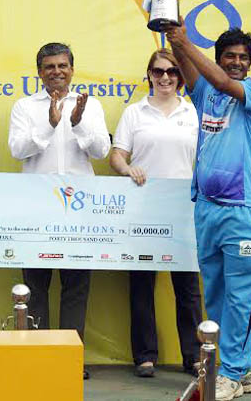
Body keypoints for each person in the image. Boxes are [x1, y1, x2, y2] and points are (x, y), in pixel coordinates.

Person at [165, 20, 251, 400]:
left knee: (242, 294)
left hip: (240, 211)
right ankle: (238, 370)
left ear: (250, 64)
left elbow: (225, 83)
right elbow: (193, 70)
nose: (237, 62)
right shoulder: (205, 88)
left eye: (243, 58)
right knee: (218, 295)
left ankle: (232, 370)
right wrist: (172, 37)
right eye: (230, 56)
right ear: (219, 58)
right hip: (206, 208)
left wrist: (184, 40)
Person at [8, 42, 110, 380]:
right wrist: (49, 125)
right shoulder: (25, 106)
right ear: (39, 72)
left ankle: (70, 358)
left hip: (79, 212)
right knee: (35, 286)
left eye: (62, 66)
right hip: (35, 209)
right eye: (49, 67)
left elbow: (102, 150)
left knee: (76, 286)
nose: (56, 72)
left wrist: (77, 122)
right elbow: (17, 150)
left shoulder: (90, 105)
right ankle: (40, 357)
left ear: (72, 69)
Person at [109, 49, 202, 378]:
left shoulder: (194, 113)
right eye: (159, 71)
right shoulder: (135, 113)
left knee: (188, 288)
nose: (165, 77)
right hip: (143, 209)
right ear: (148, 74)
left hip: (185, 209)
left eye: (172, 72)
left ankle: (193, 356)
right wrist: (127, 168)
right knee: (142, 285)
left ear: (180, 76)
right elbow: (117, 155)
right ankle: (145, 356)